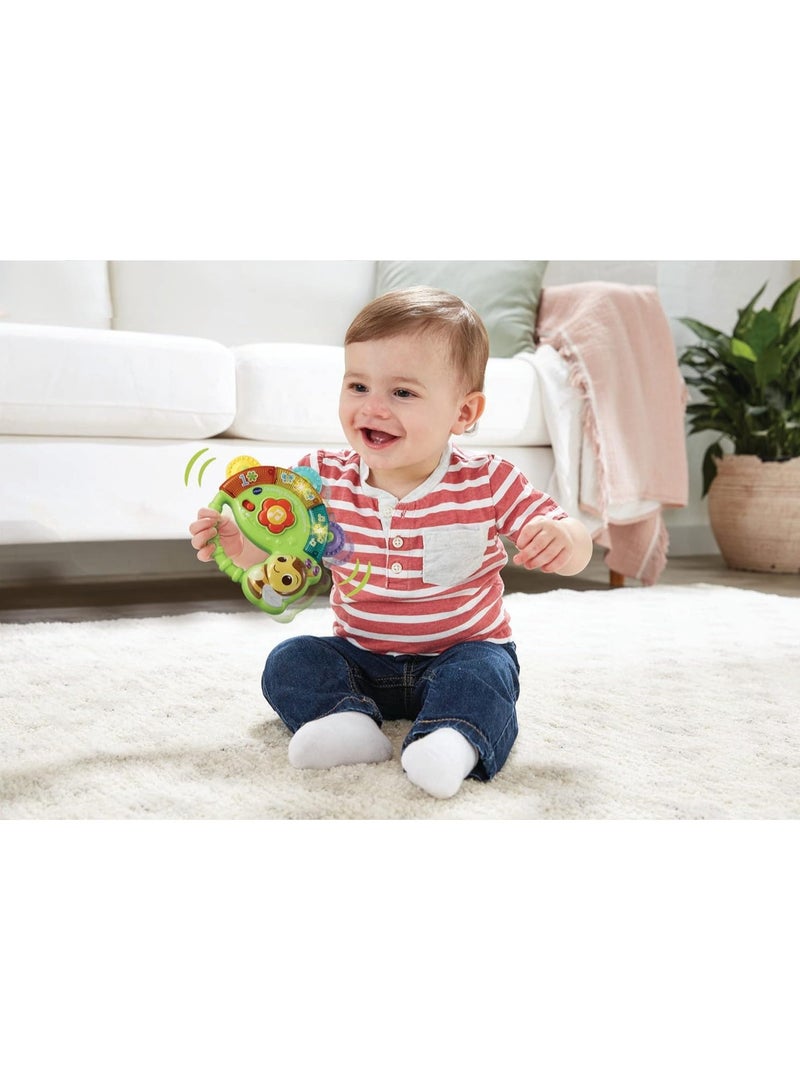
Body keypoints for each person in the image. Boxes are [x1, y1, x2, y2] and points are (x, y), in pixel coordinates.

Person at [189, 287, 593, 799]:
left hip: (459, 652)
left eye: (402, 393)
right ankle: (346, 723)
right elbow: (285, 563)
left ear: (464, 414)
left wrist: (564, 540)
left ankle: (451, 740)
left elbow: (574, 538)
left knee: (487, 674)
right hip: (362, 657)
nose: (373, 407)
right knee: (290, 660)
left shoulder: (489, 481)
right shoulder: (318, 478)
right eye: (358, 385)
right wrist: (241, 548)